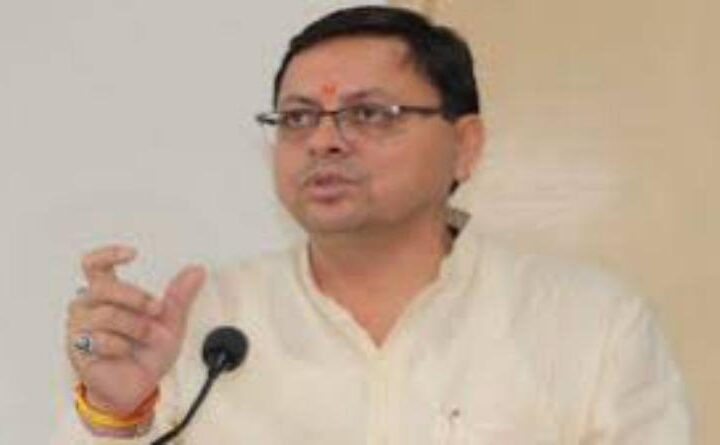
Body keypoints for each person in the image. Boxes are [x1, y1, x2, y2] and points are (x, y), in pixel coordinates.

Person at [58, 5, 691, 444]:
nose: (324, 140)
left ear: (465, 145)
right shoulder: (200, 324)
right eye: (298, 118)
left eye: (370, 114)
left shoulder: (591, 324)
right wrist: (117, 411)